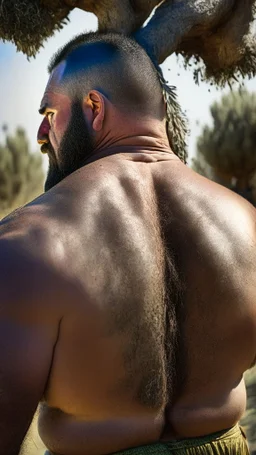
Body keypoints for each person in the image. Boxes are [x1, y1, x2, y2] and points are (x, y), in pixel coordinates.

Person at [0, 32, 255, 455]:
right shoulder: (245, 224)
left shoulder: (29, 242)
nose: (42, 134)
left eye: (49, 112)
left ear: (94, 109)